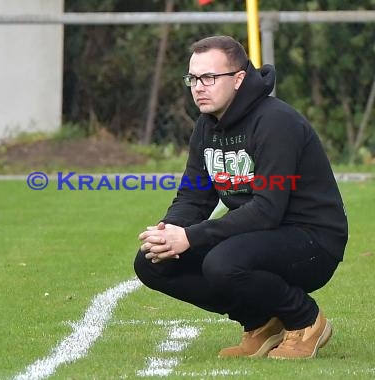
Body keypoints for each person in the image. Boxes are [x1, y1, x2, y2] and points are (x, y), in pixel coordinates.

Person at [134, 35, 348, 359]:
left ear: (238, 79)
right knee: (152, 262)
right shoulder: (206, 127)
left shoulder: (275, 122)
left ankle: (304, 320)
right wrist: (169, 230)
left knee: (223, 263)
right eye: (192, 78)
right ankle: (262, 321)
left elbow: (266, 209)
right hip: (259, 236)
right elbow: (194, 196)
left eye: (209, 77)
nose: (198, 87)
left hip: (312, 240)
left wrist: (191, 237)